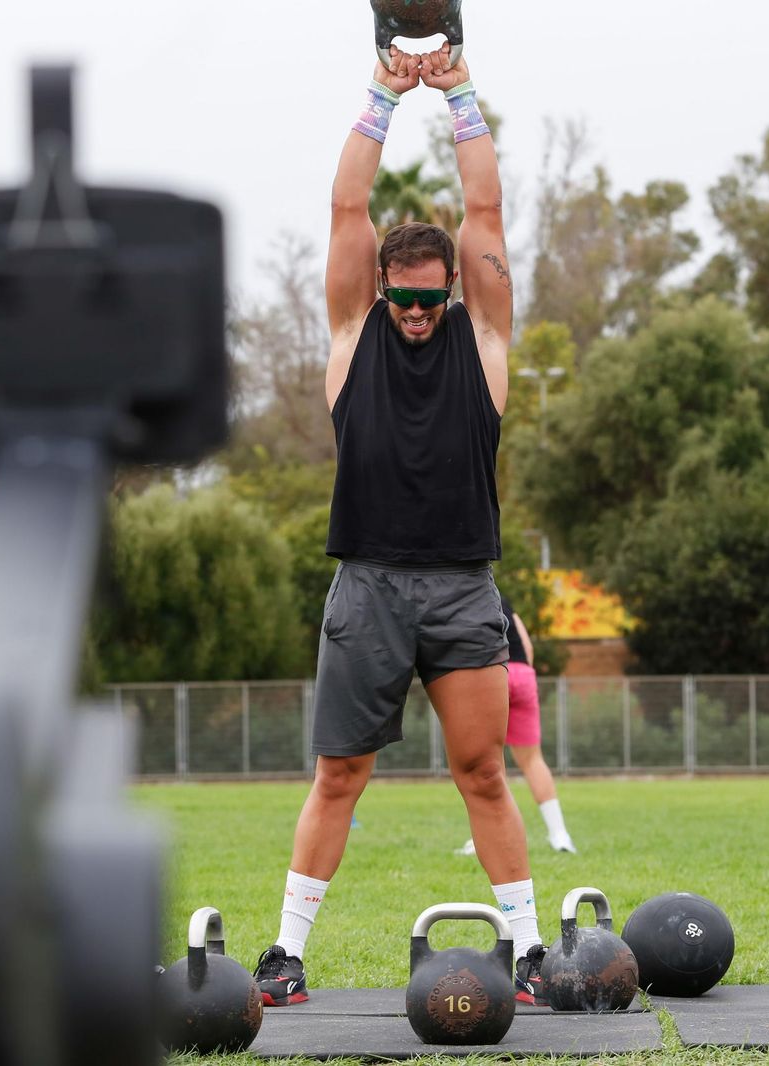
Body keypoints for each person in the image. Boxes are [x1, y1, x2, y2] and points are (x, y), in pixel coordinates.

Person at [251, 44, 549, 1007]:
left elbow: (487, 214)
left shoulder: (486, 341)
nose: (419, 314)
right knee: (340, 774)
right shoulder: (352, 337)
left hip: (463, 585)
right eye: (405, 299)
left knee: (483, 772)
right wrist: (382, 95)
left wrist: (460, 93)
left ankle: (532, 951)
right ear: (382, 290)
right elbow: (346, 209)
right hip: (368, 584)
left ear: (450, 292)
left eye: (433, 298)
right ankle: (287, 953)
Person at [457, 592, 577, 856]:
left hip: (493, 673)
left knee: (487, 761)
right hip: (523, 675)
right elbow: (527, 646)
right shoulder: (503, 599)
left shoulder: (464, 595)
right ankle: (560, 835)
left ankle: (484, 840)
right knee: (533, 759)